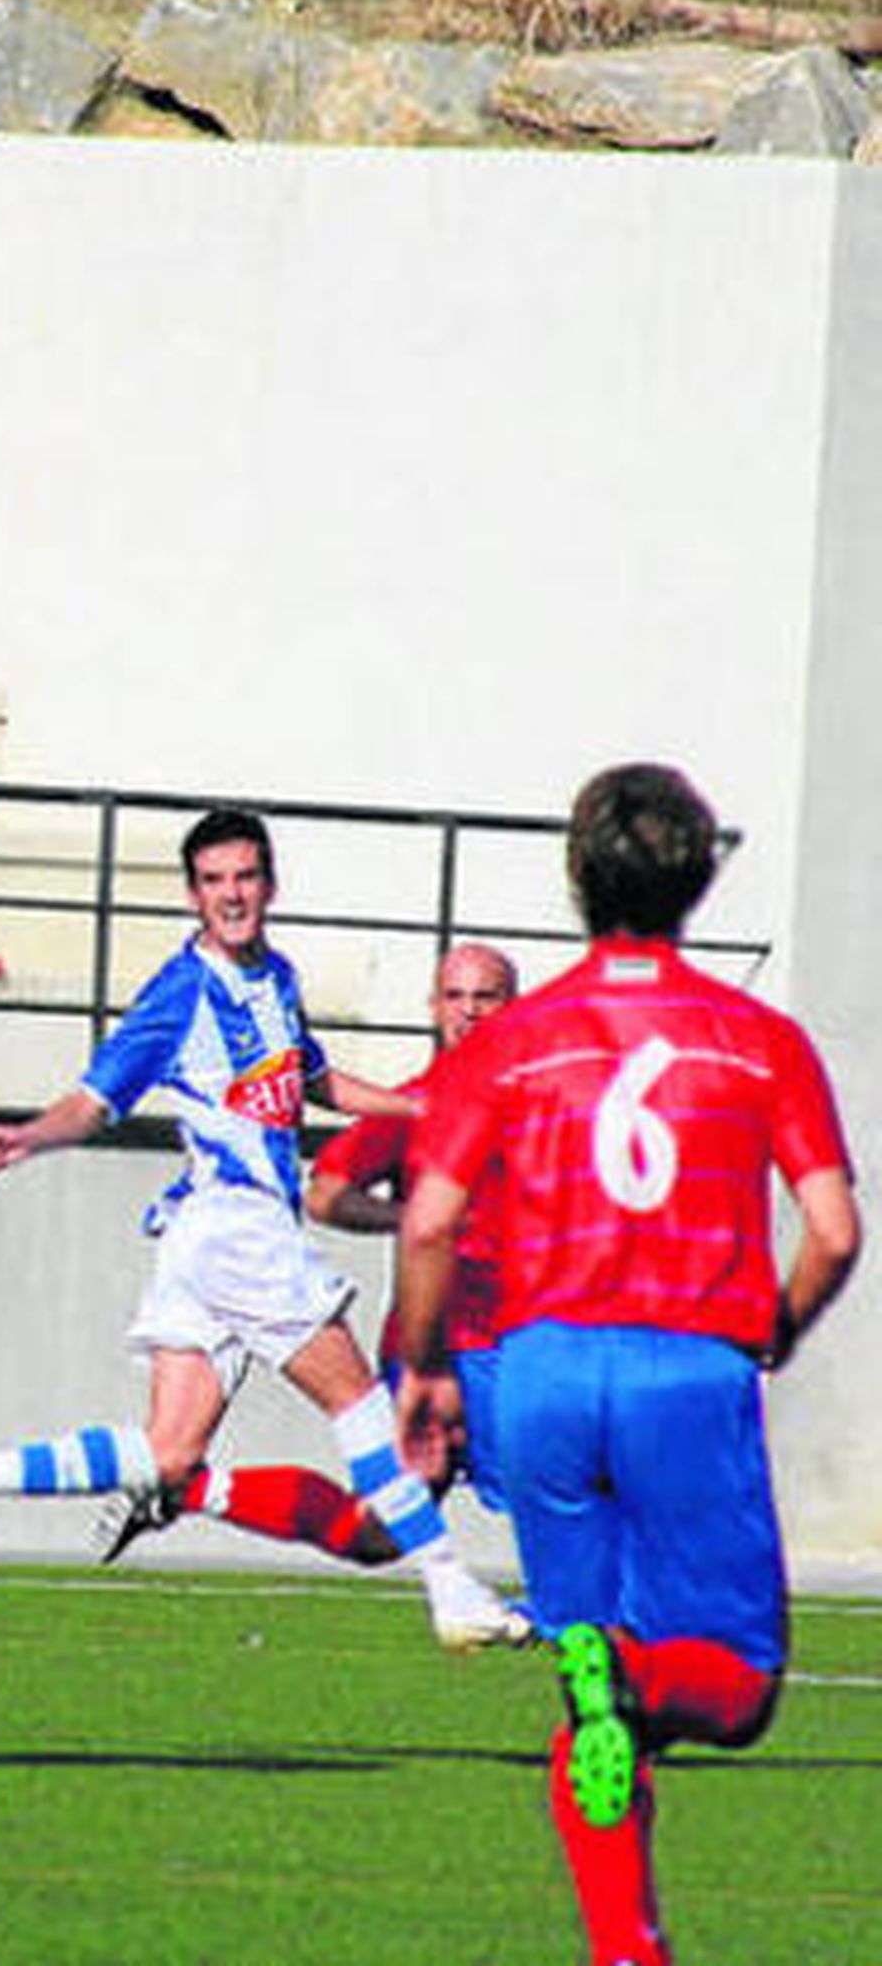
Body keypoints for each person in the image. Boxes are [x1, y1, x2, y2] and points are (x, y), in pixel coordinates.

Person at [395, 763, 861, 1966]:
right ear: (701, 876)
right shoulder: (757, 1040)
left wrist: (426, 1366)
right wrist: (776, 1325)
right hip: (686, 1373)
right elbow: (834, 1227)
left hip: (544, 1374)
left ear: (574, 875)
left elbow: (429, 1219)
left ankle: (626, 1947)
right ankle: (631, 1687)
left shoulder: (514, 1041)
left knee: (584, 1676)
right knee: (740, 1688)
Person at [0, 807, 528, 1653]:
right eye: (215, 881)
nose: (232, 895)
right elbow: (96, 1098)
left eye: (245, 877)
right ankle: (452, 1591)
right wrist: (31, 1134)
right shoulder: (181, 991)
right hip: (237, 1228)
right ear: (193, 895)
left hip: (206, 1235)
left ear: (270, 884)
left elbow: (310, 1078)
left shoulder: (276, 978)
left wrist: (412, 1103)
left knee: (168, 1457)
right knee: (359, 1401)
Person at [95, 940, 523, 1574]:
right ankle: (594, 1633)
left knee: (379, 1537)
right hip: (439, 1347)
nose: (469, 1012)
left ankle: (188, 1489)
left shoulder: (552, 1102)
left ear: (514, 1007)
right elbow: (327, 1192)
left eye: (485, 997)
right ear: (434, 1008)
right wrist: (415, 1220)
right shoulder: (418, 1104)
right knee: (565, 1491)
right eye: (455, 997)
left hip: (524, 1340)